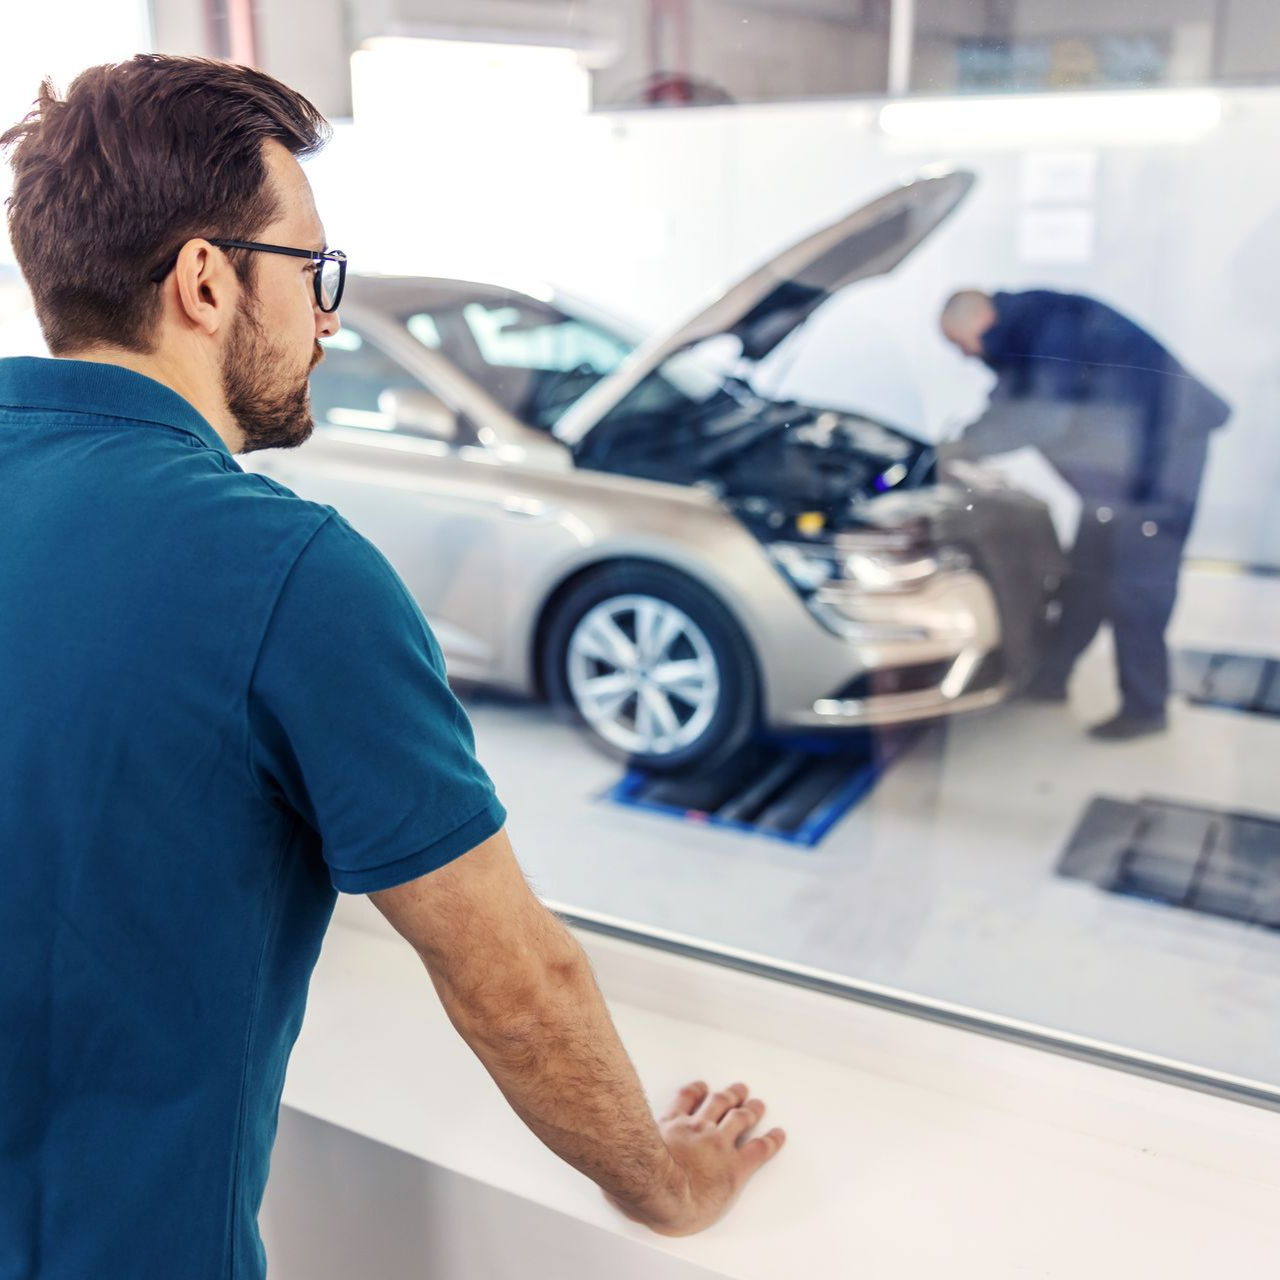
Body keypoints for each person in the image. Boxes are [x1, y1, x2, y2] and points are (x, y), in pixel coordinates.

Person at [0, 56, 784, 1279]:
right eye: (312, 271)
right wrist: (673, 1188)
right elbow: (513, 985)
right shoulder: (284, 568)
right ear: (204, 280)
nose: (325, 320)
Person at [939, 288, 1230, 740]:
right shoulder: (1029, 330)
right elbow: (1012, 402)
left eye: (960, 344)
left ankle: (1146, 708)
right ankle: (1050, 679)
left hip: (1162, 457)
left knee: (1137, 585)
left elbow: (1042, 416)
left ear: (979, 320)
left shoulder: (1048, 325)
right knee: (1089, 572)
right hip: (1122, 470)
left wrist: (961, 448)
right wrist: (962, 443)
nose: (964, 356)